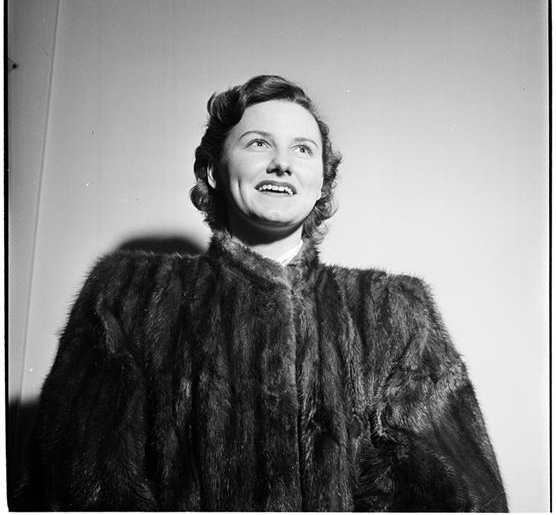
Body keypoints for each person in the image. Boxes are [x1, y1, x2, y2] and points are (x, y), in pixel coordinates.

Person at [28, 75, 507, 511]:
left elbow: (457, 496)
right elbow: (74, 484)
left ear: (322, 182)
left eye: (303, 149)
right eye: (258, 142)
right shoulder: (127, 295)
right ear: (214, 170)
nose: (282, 163)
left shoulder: (394, 310)